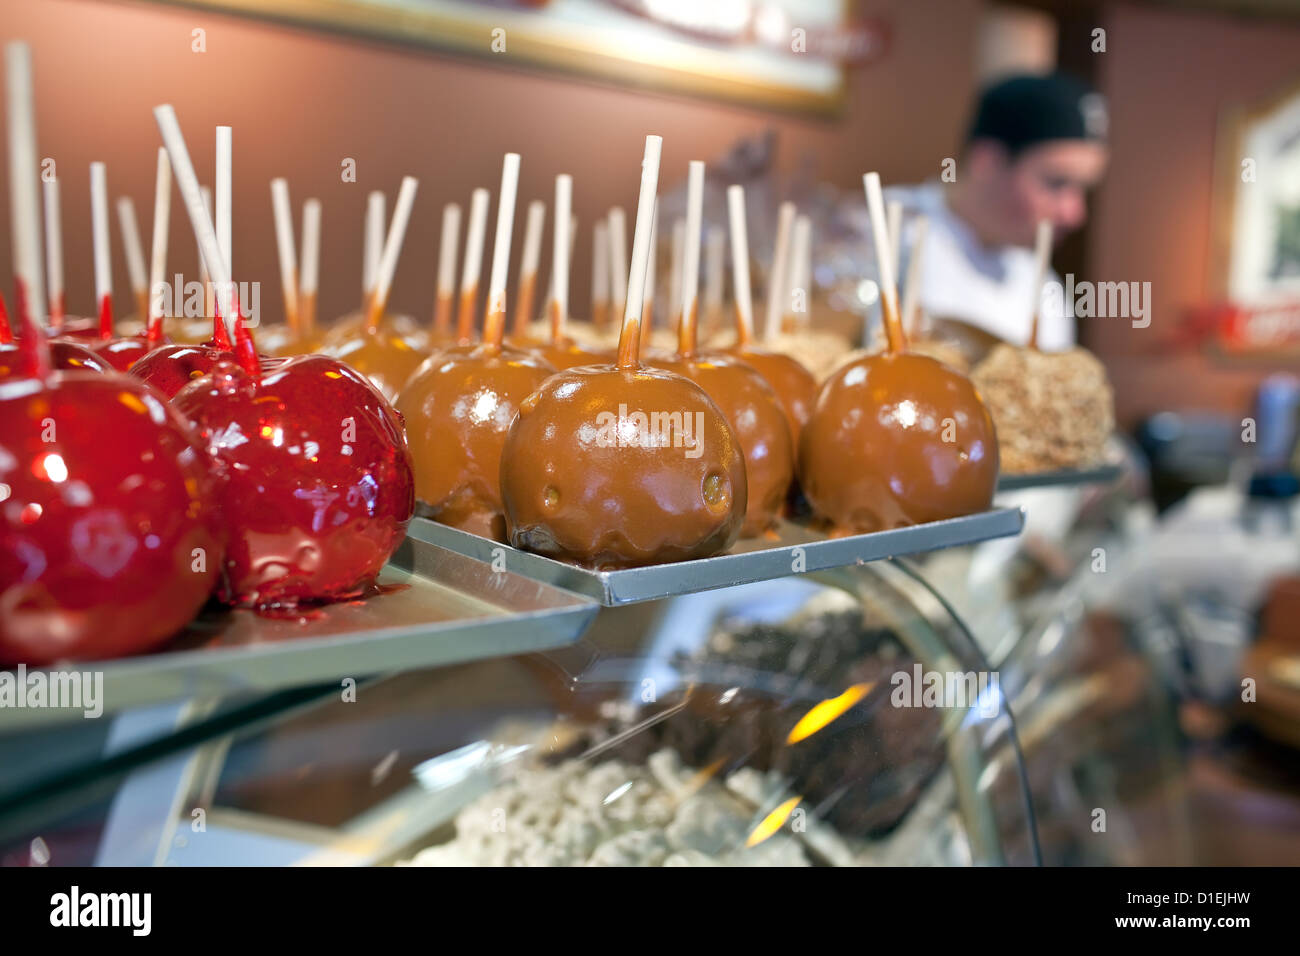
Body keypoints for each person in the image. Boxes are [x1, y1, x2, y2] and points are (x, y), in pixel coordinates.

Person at [887, 71, 1109, 355]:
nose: (1075, 214)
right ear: (988, 162)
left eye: (1084, 189)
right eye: (1056, 183)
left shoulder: (1042, 287)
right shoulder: (880, 232)